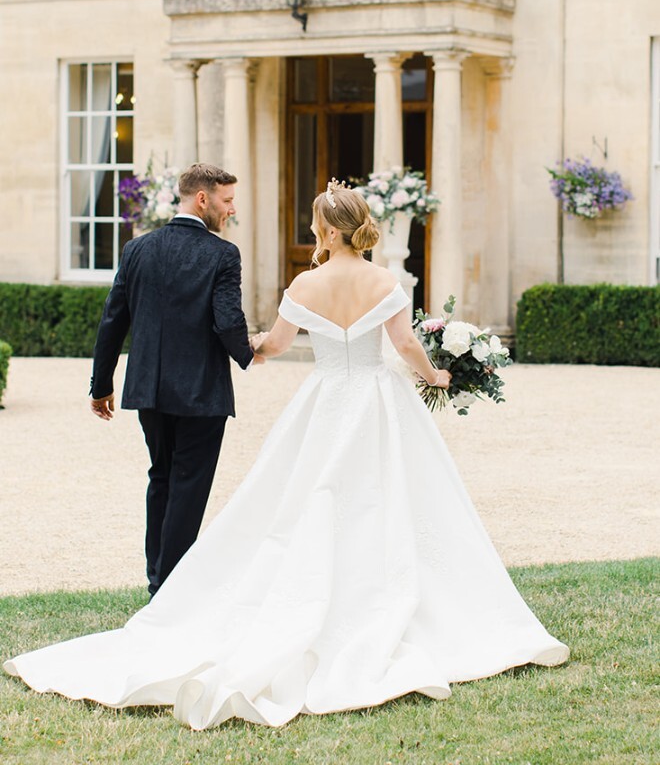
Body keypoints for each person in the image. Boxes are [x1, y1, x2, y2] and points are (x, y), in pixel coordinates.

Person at [4, 180, 569, 728]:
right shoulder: (384, 280)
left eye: (316, 224)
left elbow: (272, 345)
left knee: (304, 497)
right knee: (395, 493)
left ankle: (199, 584)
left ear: (328, 230)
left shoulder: (304, 284)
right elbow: (403, 343)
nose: (313, 230)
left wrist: (244, 348)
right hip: (378, 400)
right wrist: (436, 375)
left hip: (325, 400)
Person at [88, 163, 258, 597]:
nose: (231, 209)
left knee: (161, 477)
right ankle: (170, 589)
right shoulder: (223, 254)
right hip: (201, 393)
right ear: (202, 199)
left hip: (149, 390)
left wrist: (101, 384)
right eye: (227, 200)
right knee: (188, 485)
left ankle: (157, 580)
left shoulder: (137, 249)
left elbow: (112, 321)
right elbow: (227, 322)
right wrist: (251, 351)